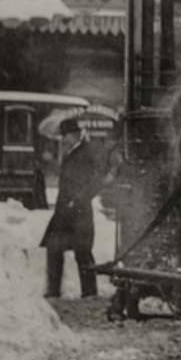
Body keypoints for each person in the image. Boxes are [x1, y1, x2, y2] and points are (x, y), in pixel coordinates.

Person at [41, 117, 103, 299]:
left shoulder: (86, 153)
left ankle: (90, 293)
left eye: (65, 136)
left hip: (80, 212)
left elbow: (95, 182)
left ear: (74, 135)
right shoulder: (71, 152)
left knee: (82, 252)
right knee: (53, 247)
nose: (64, 140)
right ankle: (53, 290)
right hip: (64, 213)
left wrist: (78, 200)